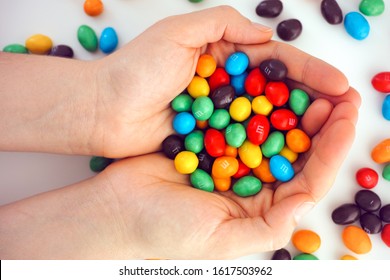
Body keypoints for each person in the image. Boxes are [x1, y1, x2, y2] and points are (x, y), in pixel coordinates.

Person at [0, 6, 360, 259]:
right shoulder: (216, 116)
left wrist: (122, 223)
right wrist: (100, 99)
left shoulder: (239, 129)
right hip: (209, 135)